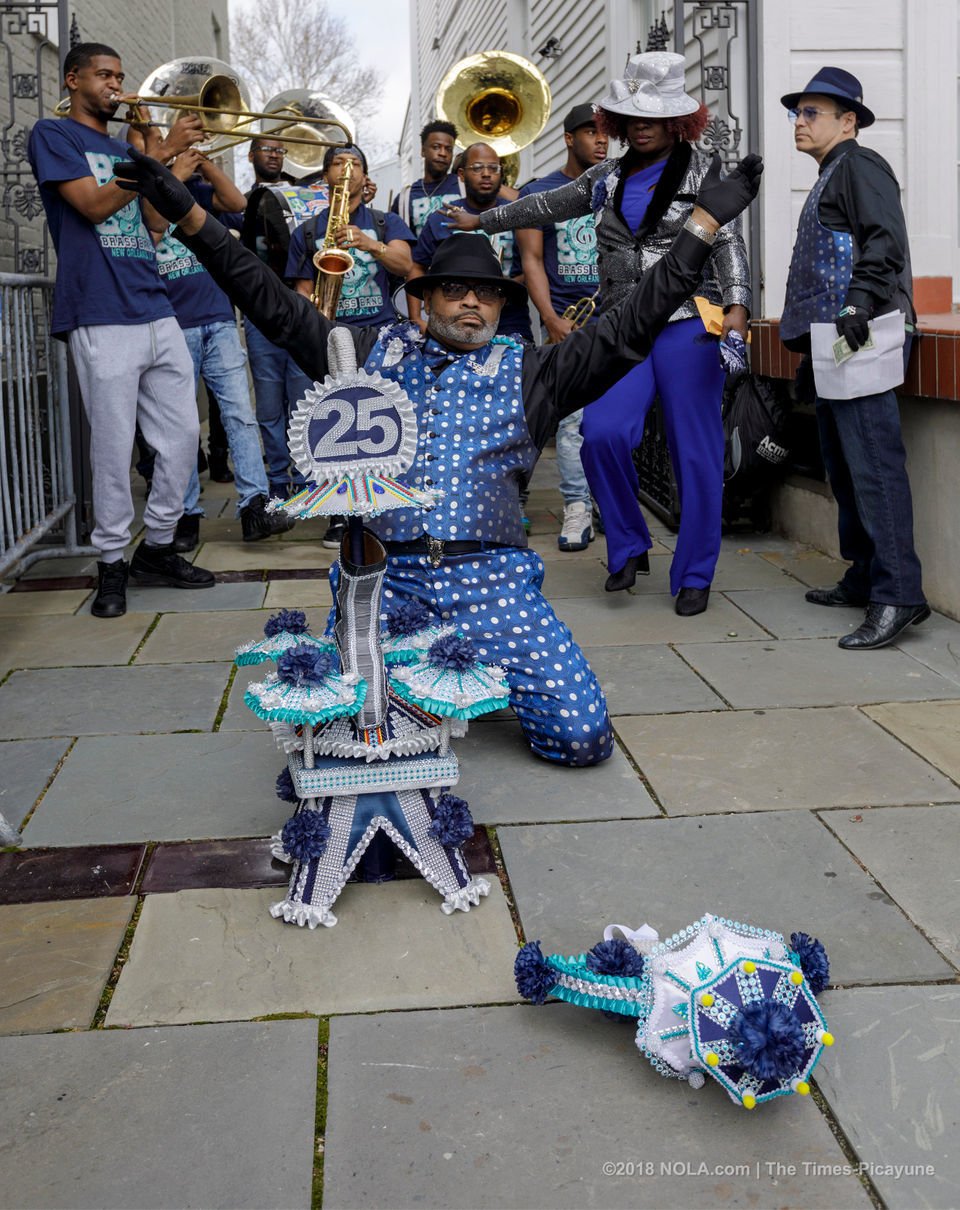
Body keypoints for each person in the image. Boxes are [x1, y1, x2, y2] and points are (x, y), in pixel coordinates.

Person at [114, 143, 762, 765]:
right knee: (347, 737)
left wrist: (702, 224)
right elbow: (270, 303)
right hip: (386, 583)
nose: (472, 301)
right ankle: (431, 682)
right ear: (424, 304)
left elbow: (636, 321)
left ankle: (469, 673)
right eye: (454, 290)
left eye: (485, 292)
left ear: (502, 304)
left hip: (495, 587)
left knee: (580, 738)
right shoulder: (366, 357)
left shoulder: (536, 371)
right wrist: (185, 210)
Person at [445, 53, 751, 614]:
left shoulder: (702, 169)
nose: (641, 124)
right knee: (602, 435)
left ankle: (695, 572)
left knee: (696, 451)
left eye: (653, 115)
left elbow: (726, 239)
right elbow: (544, 204)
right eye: (630, 114)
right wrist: (482, 219)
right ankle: (630, 544)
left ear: (677, 121)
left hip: (688, 322)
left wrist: (738, 305)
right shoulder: (606, 177)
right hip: (622, 325)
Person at [27, 42, 214, 619]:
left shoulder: (121, 147)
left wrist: (168, 168)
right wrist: (156, 158)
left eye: (120, 76)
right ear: (73, 78)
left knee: (184, 441)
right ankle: (111, 562)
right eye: (104, 75)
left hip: (157, 307)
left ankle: (157, 547)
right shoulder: (53, 135)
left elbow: (153, 224)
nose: (116, 85)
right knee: (111, 450)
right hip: (100, 312)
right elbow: (90, 205)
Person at [779, 67, 927, 650]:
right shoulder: (833, 171)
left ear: (849, 121)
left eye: (812, 113)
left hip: (862, 336)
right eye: (798, 112)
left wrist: (860, 303)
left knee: (874, 470)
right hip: (837, 344)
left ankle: (900, 596)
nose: (800, 121)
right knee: (844, 468)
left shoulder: (861, 165)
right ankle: (866, 576)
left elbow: (884, 239)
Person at [154, 149, 294, 548]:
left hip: (218, 317)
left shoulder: (201, 189)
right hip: (172, 321)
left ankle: (254, 506)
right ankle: (186, 514)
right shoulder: (148, 191)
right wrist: (172, 172)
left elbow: (238, 204)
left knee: (240, 415)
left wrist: (204, 162)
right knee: (179, 425)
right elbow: (155, 223)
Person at [286, 143, 415, 547]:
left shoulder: (384, 220)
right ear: (326, 176)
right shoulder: (307, 231)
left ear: (364, 176)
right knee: (336, 427)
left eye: (355, 163)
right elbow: (302, 290)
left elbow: (405, 265)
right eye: (339, 163)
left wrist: (369, 243)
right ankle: (342, 514)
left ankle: (385, 506)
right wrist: (314, 306)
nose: (347, 169)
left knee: (381, 424)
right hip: (332, 335)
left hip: (378, 335)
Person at [516, 103, 609, 551]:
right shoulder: (540, 192)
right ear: (570, 138)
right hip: (568, 321)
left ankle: (608, 502)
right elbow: (531, 259)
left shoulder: (617, 186)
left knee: (615, 420)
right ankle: (576, 506)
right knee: (572, 421)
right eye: (590, 132)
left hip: (617, 319)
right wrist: (550, 317)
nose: (601, 140)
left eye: (606, 132)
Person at [240, 137, 328, 502]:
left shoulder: (304, 196)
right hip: (261, 316)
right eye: (267, 149)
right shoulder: (244, 202)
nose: (275, 155)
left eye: (280, 150)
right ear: (251, 156)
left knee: (303, 402)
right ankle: (278, 478)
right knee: (269, 406)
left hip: (299, 310)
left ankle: (307, 478)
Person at [408, 141, 532, 343]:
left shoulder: (515, 214)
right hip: (452, 323)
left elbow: (532, 264)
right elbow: (417, 266)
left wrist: (496, 290)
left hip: (510, 322)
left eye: (493, 168)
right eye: (477, 168)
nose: (486, 174)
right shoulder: (441, 216)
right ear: (461, 175)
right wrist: (416, 317)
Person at [391, 120, 463, 238]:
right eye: (436, 147)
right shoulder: (405, 198)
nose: (443, 153)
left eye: (448, 149)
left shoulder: (464, 185)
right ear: (423, 151)